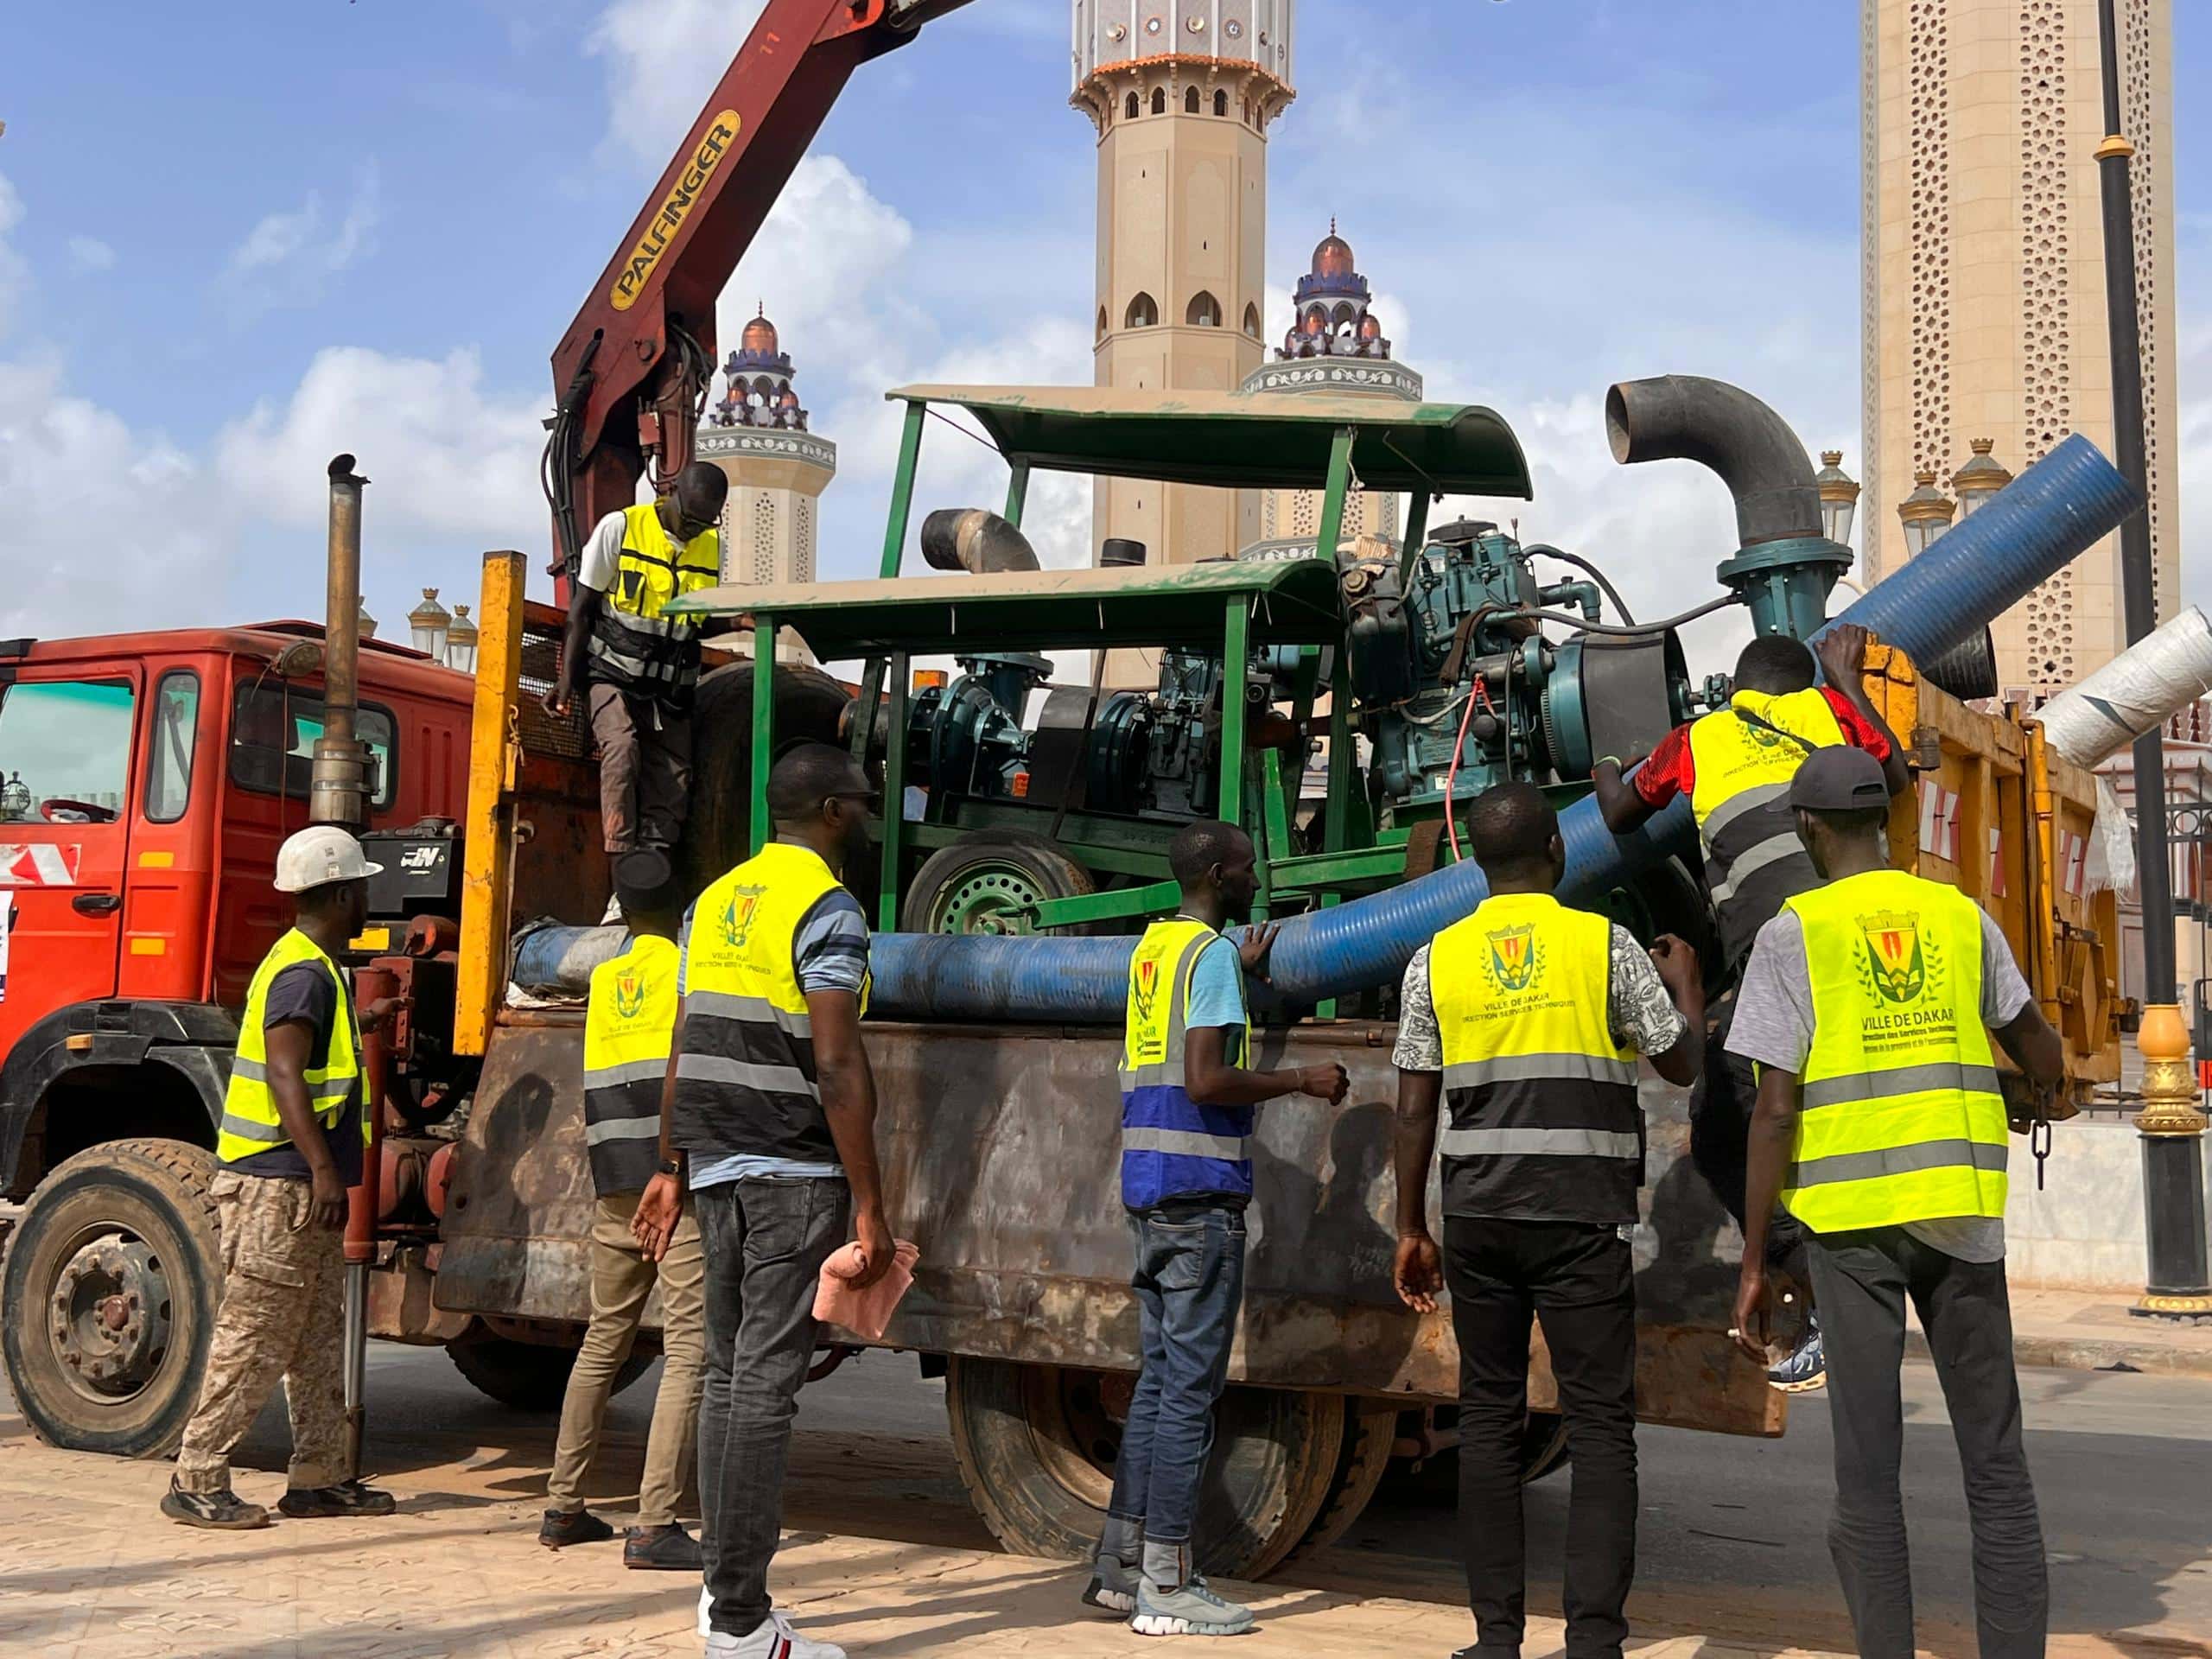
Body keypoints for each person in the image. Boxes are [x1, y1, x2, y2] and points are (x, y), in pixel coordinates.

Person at [1729, 747, 2063, 1659]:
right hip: (1957, 1218)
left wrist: (1756, 1262)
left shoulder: (1791, 933)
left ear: (1806, 829)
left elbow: (1773, 1109)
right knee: (1995, 1465)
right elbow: (2033, 1040)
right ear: (1885, 821)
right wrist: (2050, 1081)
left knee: (1868, 1474)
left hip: (1848, 1230)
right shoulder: (1957, 917)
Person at [1391, 782, 1705, 1659]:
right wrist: (1687, 987)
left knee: (1488, 1421)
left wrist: (1411, 1224)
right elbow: (1680, 1064)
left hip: (1480, 1216)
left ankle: (1495, 1643)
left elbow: (1414, 1106)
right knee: (1600, 1425)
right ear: (1557, 855)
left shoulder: (1433, 959)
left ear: (1475, 865)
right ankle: (1593, 1643)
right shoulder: (1602, 946)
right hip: (1578, 1219)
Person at [1592, 624, 1909, 1391]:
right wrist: (1846, 678)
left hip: (1779, 949)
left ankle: (1818, 1287)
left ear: (1735, 690)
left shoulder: (1701, 738)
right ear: (1808, 681)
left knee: (1725, 1126)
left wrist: (1607, 762)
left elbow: (1619, 814)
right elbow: (1893, 774)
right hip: (1864, 938)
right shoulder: (1834, 715)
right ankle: (1859, 1286)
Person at [632, 741, 894, 1659]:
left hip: (715, 1163)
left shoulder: (713, 903)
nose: (864, 819)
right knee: (762, 1392)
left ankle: (722, 1602)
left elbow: (683, 1037)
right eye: (858, 806)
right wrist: (870, 1202)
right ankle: (741, 1624)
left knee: (730, 1379)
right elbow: (835, 1059)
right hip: (789, 1166)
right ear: (829, 812)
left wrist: (671, 1161)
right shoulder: (827, 908)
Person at [1085, 820, 1350, 1638]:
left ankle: (1119, 1568)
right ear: (1212, 872)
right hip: (1200, 1199)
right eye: (1242, 868)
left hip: (1151, 1191)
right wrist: (1302, 1078)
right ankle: (1169, 1578)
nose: (1253, 878)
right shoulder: (1209, 964)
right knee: (1188, 1398)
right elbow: (1204, 1079)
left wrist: (1238, 970)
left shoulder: (1159, 951)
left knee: (1159, 1387)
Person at [164, 825, 404, 1529]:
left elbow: (303, 1048)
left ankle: (319, 1478)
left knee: (316, 1336)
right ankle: (197, 1477)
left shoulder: (314, 968)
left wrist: (365, 1018)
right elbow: (284, 1071)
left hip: (295, 1185)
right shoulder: (302, 971)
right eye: (360, 888)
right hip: (280, 1186)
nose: (368, 899)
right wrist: (327, 1172)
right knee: (256, 1333)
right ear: (338, 893)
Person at [540, 849, 706, 1569]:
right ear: (679, 911)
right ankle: (654, 1523)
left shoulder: (606, 980)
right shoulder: (688, 974)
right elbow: (686, 1075)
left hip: (612, 1176)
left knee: (604, 1338)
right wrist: (675, 1170)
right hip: (672, 1182)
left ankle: (563, 1506)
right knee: (690, 1347)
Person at [543, 461, 729, 868]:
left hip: (669, 691)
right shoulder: (621, 529)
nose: (693, 530)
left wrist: (740, 621)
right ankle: (622, 861)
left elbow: (695, 622)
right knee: (622, 748)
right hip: (612, 676)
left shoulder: (713, 546)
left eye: (703, 524)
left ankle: (653, 865)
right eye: (689, 520)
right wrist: (565, 681)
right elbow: (582, 609)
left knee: (676, 776)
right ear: (671, 493)